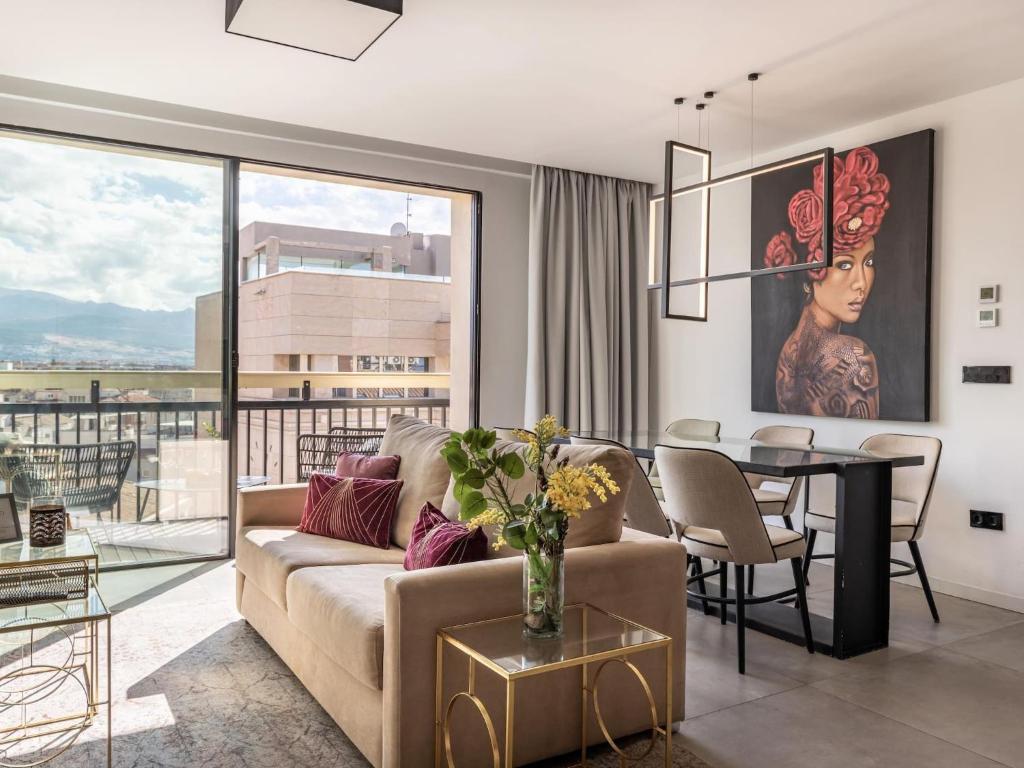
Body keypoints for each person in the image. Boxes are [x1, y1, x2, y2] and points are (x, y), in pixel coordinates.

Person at [764, 146, 891, 419]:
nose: (861, 283)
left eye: (868, 262)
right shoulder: (854, 355)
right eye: (844, 265)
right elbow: (864, 445)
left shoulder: (789, 351)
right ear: (810, 273)